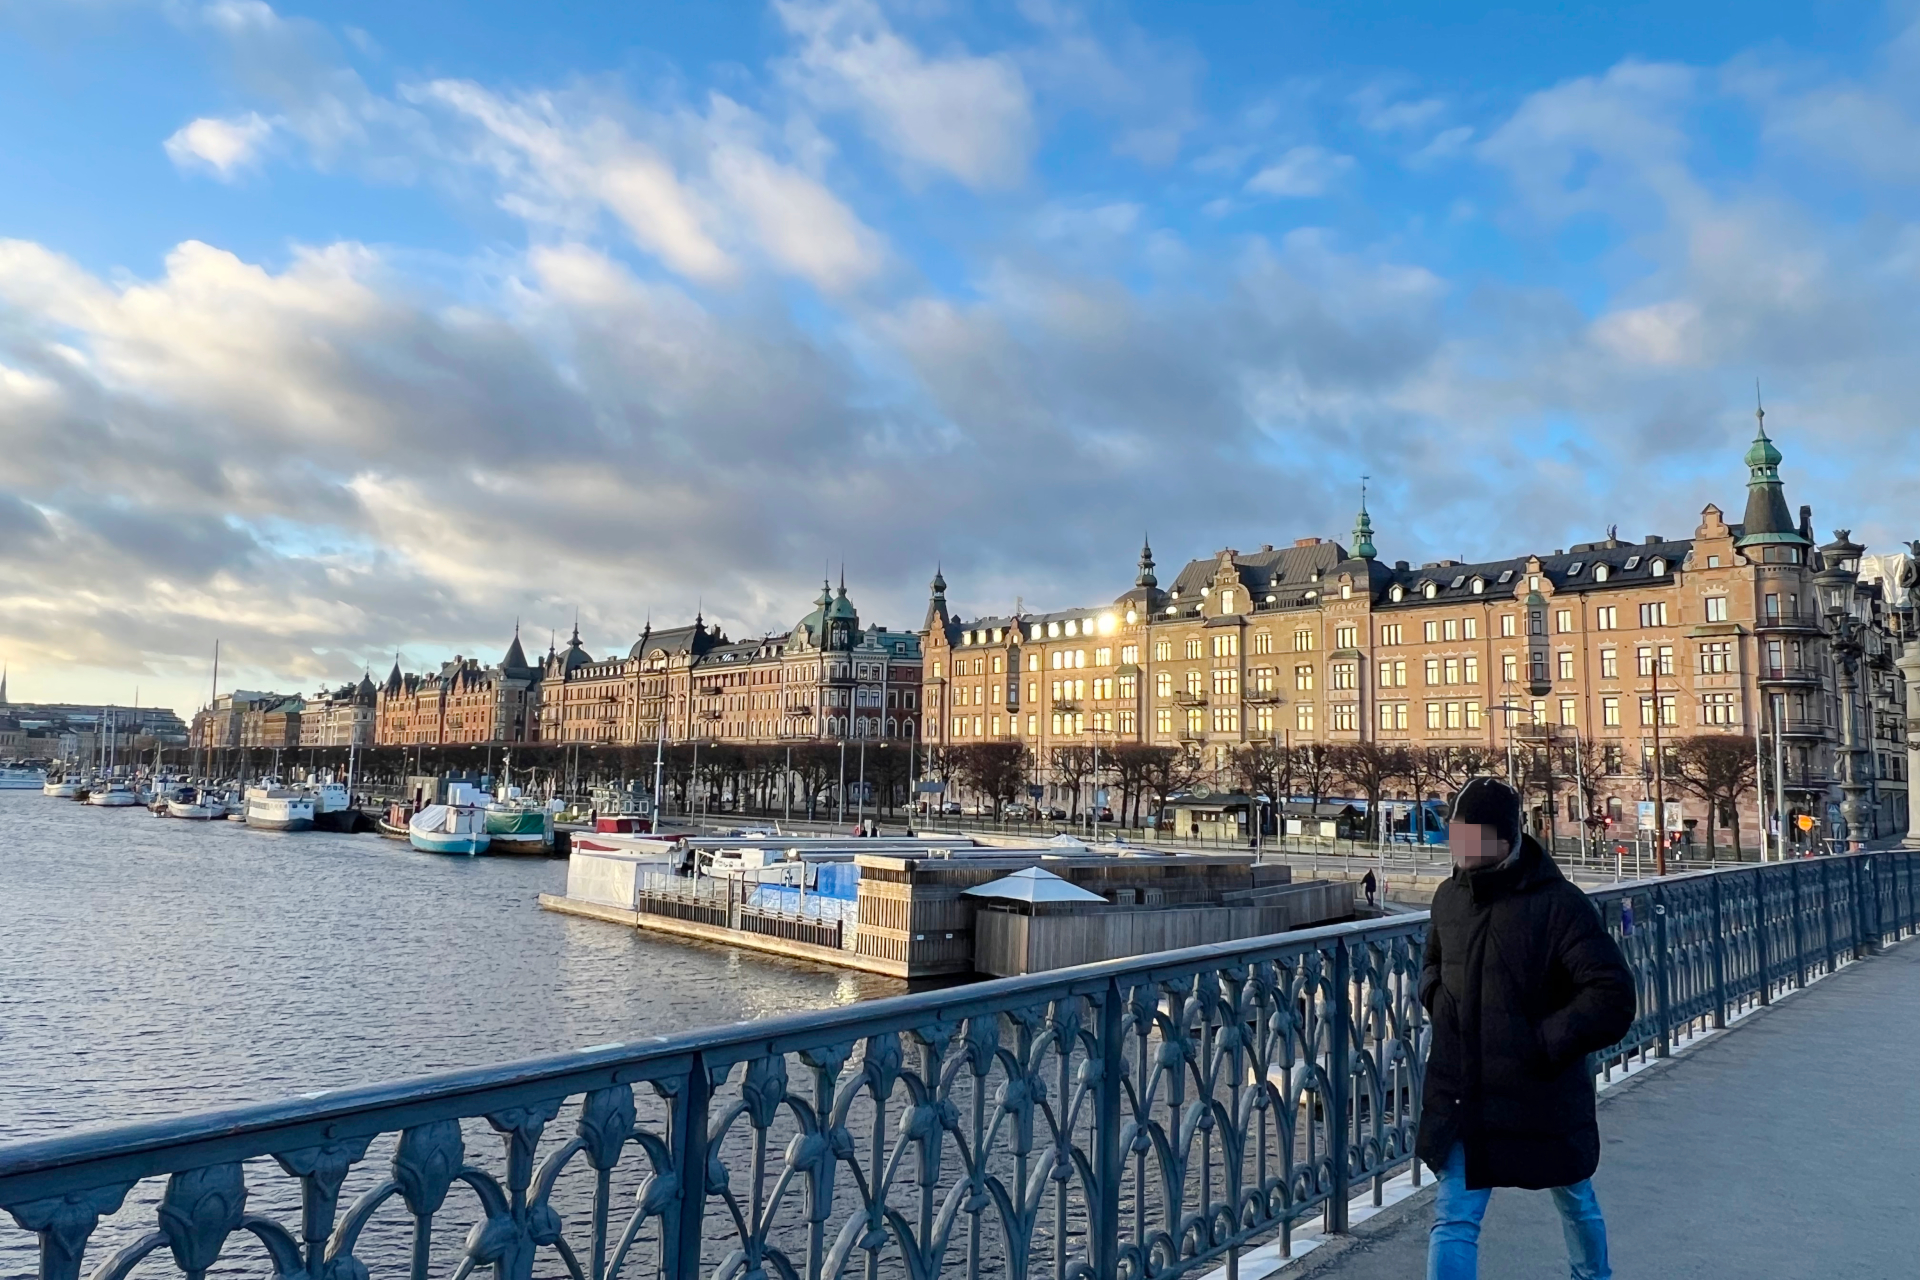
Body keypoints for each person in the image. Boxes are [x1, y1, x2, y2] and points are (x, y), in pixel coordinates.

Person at [1417, 776, 1636, 1280]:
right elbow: (1432, 961)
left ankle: (1593, 1276)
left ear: (1504, 838)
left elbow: (1611, 995)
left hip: (1540, 1090)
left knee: (1574, 1196)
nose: (1458, 845)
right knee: (1454, 1218)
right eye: (1455, 832)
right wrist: (1436, 999)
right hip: (1463, 1089)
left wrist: (1542, 1044)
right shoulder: (1449, 897)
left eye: (1470, 835)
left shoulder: (1560, 905)